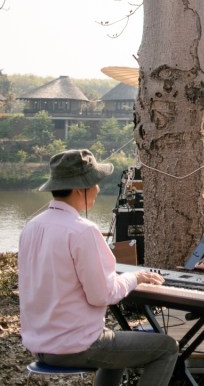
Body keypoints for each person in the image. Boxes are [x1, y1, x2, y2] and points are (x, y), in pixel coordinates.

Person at [19, 149, 178, 386]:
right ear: (79, 189)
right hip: (75, 346)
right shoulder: (82, 230)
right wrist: (135, 278)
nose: (98, 189)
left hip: (40, 344)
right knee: (167, 347)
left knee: (118, 348)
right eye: (95, 183)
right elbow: (103, 294)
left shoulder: (31, 227)